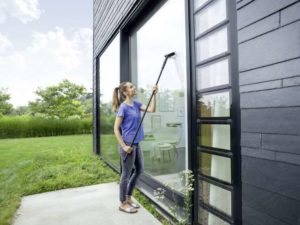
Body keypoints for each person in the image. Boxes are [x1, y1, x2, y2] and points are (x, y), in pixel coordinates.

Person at [112, 81, 158, 213]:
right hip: (127, 145)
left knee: (139, 170)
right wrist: (124, 146)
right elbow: (116, 129)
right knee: (126, 174)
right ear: (125, 92)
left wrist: (154, 94)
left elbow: (152, 109)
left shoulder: (136, 104)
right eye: (131, 87)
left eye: (133, 86)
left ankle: (128, 197)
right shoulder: (123, 108)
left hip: (136, 144)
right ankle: (122, 203)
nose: (134, 88)